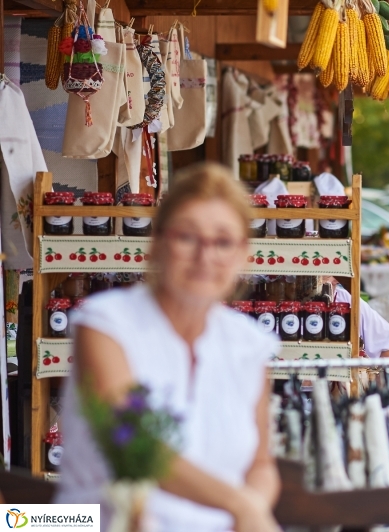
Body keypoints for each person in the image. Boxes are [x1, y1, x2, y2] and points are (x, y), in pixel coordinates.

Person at [55, 164, 280, 532]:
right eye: (188, 237)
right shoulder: (106, 324)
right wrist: (238, 504)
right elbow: (133, 443)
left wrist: (252, 512)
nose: (206, 256)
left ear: (242, 254)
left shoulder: (248, 344)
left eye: (223, 241)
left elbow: (260, 465)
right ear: (157, 243)